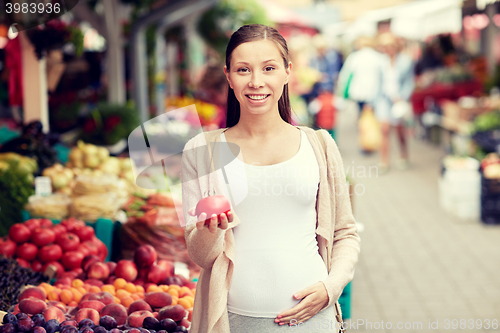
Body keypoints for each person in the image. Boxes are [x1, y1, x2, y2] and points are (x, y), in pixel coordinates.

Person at [181, 24, 360, 333]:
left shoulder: (319, 145)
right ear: (228, 75)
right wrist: (210, 230)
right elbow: (200, 256)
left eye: (269, 68)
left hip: (311, 320)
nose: (256, 82)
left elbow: (345, 232)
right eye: (243, 69)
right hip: (232, 320)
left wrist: (331, 288)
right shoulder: (202, 151)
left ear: (287, 72)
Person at [374, 32, 415, 172]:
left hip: (399, 100)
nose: (388, 49)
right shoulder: (380, 61)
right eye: (385, 46)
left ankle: (403, 155)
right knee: (384, 129)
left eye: (390, 46)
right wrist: (373, 102)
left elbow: (409, 82)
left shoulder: (405, 61)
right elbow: (378, 84)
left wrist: (402, 97)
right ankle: (384, 161)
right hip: (384, 99)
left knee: (399, 130)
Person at [336, 36, 385, 115]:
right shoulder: (379, 57)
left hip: (358, 93)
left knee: (362, 118)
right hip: (375, 93)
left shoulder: (354, 57)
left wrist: (342, 95)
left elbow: (345, 76)